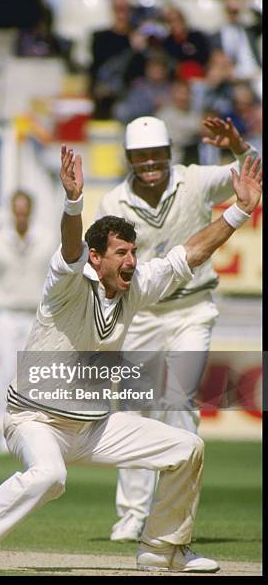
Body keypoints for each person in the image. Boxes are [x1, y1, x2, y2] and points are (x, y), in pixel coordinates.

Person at [0, 145, 261, 573]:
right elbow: (69, 247)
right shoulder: (66, 284)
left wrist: (238, 214)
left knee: (187, 447)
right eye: (121, 253)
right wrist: (73, 202)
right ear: (95, 258)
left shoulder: (136, 283)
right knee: (50, 476)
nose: (132, 261)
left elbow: (188, 254)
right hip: (35, 419)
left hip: (95, 426)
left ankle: (163, 549)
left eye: (133, 252)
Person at [96, 115, 259, 542]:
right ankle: (132, 514)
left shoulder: (196, 181)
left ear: (169, 153)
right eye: (140, 156)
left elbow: (252, 174)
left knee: (179, 403)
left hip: (192, 309)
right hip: (142, 315)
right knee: (134, 409)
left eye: (156, 154)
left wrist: (239, 145)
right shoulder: (114, 201)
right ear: (129, 158)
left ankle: (173, 517)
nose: (149, 163)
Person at [0, 190, 54, 453]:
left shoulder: (47, 238)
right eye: (16, 211)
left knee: (32, 375)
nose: (21, 216)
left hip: (36, 314)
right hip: (6, 313)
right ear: (11, 211)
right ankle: (3, 431)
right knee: (6, 371)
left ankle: (30, 431)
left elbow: (56, 277)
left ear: (30, 211)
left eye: (24, 211)